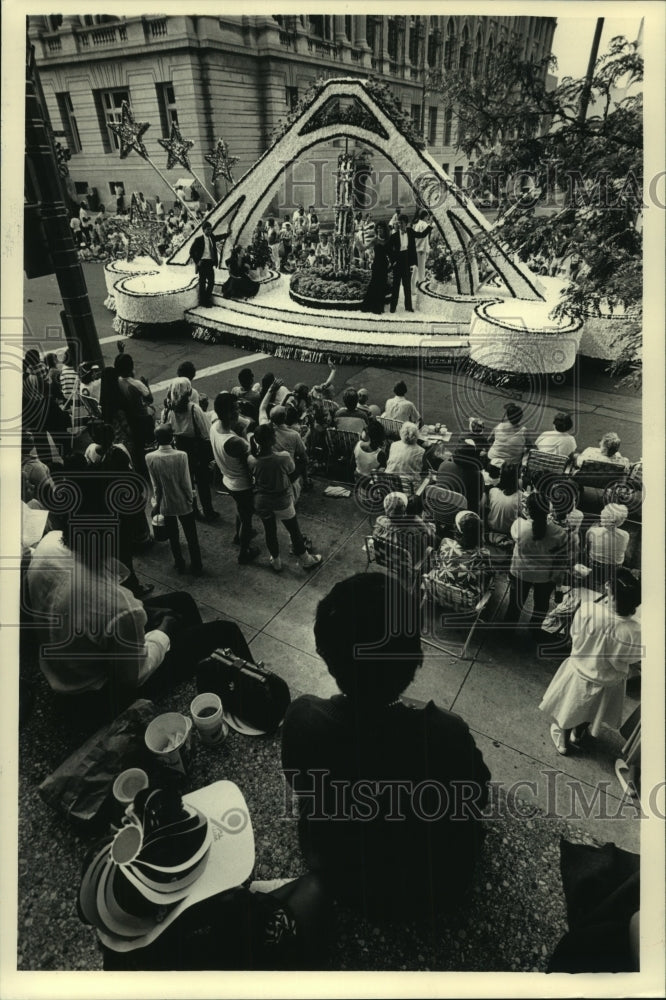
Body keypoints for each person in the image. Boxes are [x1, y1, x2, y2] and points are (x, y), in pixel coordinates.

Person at [281, 572, 490, 920]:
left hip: (338, 871)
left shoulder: (303, 717)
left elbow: (300, 784)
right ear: (414, 660)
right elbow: (476, 796)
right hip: (429, 891)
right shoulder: (446, 735)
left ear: (329, 659)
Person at [25, 473, 254, 724]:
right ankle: (256, 696)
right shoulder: (117, 606)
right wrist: (164, 632)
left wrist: (146, 612)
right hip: (100, 693)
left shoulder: (48, 545)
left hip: (65, 664)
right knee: (225, 632)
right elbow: (133, 676)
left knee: (182, 600)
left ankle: (204, 671)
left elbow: (100, 611)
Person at [539, 569, 641, 755]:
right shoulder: (635, 630)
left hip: (581, 670)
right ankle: (578, 734)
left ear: (611, 594)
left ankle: (563, 741)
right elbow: (633, 658)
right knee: (592, 709)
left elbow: (574, 634)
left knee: (571, 707)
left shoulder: (589, 610)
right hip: (609, 680)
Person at [252, 423, 322, 573]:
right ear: (273, 439)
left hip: (261, 500)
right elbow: (292, 473)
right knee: (294, 531)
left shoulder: (252, 459)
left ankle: (276, 561)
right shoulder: (283, 457)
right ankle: (306, 560)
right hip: (281, 500)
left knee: (270, 531)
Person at [504, 491, 568, 628]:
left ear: (527, 510)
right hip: (545, 577)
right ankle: (534, 629)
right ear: (548, 510)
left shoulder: (519, 525)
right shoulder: (559, 532)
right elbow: (561, 557)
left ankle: (507, 630)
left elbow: (517, 537)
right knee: (541, 605)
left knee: (514, 605)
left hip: (520, 572)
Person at [146, 424, 203, 575]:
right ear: (172, 438)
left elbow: (155, 485)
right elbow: (186, 482)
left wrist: (157, 504)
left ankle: (179, 563)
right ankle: (197, 565)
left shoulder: (150, 457)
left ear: (156, 439)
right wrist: (191, 499)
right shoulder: (181, 455)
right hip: (183, 501)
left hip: (166, 503)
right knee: (191, 536)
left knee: (173, 536)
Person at [210, 392, 260, 564]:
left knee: (241, 509)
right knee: (247, 519)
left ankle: (238, 537)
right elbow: (253, 459)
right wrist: (248, 433)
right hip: (242, 484)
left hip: (228, 479)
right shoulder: (234, 441)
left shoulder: (214, 426)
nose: (239, 410)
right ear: (229, 413)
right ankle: (244, 552)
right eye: (236, 408)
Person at [162, 376, 218, 522]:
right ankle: (208, 510)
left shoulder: (168, 411)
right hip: (197, 451)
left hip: (180, 450)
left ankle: (194, 510)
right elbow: (206, 432)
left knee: (188, 483)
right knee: (203, 483)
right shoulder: (194, 409)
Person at [424, 510, 492, 601]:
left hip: (438, 591)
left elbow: (437, 561)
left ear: (457, 531)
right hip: (464, 601)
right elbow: (489, 574)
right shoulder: (483, 554)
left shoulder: (445, 542)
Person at [372, 491, 436, 573]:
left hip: (384, 558)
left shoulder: (380, 520)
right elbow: (430, 542)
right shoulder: (412, 532)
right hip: (407, 564)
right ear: (404, 511)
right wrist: (421, 523)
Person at [114, 352, 155, 479]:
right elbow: (150, 399)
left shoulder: (117, 381)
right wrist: (146, 384)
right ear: (131, 367)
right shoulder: (137, 384)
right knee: (152, 410)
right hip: (141, 418)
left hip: (128, 417)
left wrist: (120, 352)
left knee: (137, 447)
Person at [585, 503, 630, 590]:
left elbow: (587, 549)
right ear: (621, 521)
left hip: (595, 567)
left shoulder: (592, 531)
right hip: (614, 570)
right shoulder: (625, 535)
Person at [435, 443, 484, 517]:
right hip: (462, 514)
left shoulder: (444, 464)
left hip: (441, 507)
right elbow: (477, 499)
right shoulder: (477, 476)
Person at [189, 221, 224, 306]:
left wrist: (228, 234)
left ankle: (207, 299)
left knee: (211, 282)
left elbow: (219, 237)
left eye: (210, 229)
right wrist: (197, 261)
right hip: (203, 263)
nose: (209, 231)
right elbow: (191, 251)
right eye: (208, 229)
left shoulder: (212, 237)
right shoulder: (199, 240)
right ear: (203, 230)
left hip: (210, 263)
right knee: (202, 283)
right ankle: (203, 302)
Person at [486, 463, 522, 545]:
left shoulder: (493, 491)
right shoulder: (520, 496)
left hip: (491, 527)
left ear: (501, 477)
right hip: (508, 531)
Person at [388, 214, 417, 313]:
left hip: (406, 261)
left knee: (407, 286)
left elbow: (421, 235)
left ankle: (408, 307)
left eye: (402, 223)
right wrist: (393, 261)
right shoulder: (394, 235)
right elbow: (388, 249)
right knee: (395, 286)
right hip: (398, 261)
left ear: (406, 223)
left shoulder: (410, 232)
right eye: (398, 223)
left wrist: (429, 226)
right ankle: (393, 308)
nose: (400, 225)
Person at [360, 221, 391, 315]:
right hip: (376, 264)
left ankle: (379, 307)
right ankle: (371, 306)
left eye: (381, 228)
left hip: (384, 265)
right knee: (374, 284)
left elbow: (391, 253)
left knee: (382, 285)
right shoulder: (375, 240)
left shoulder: (388, 240)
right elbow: (364, 248)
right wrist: (358, 241)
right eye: (378, 228)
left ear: (384, 230)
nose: (379, 230)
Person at [487, 403, 527, 467]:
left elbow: (489, 439)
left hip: (492, 458)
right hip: (510, 465)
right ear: (520, 417)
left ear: (508, 416)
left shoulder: (499, 426)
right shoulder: (524, 431)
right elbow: (530, 447)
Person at [411, 209, 433, 293]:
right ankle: (421, 290)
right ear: (425, 216)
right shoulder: (423, 224)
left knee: (416, 270)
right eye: (427, 216)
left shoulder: (418, 224)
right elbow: (423, 236)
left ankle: (413, 289)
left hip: (418, 249)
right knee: (421, 272)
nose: (428, 218)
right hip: (421, 250)